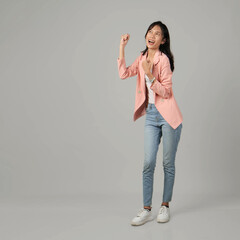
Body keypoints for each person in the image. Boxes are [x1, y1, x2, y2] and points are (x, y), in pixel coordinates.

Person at [117, 21, 183, 226]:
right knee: (148, 164)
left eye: (157, 33)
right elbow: (123, 74)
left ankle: (165, 205)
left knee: (168, 164)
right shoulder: (142, 58)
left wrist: (148, 74)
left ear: (163, 40)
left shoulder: (163, 60)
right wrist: (122, 47)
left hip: (169, 116)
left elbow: (167, 91)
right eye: (150, 31)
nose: (152, 35)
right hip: (152, 116)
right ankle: (146, 209)